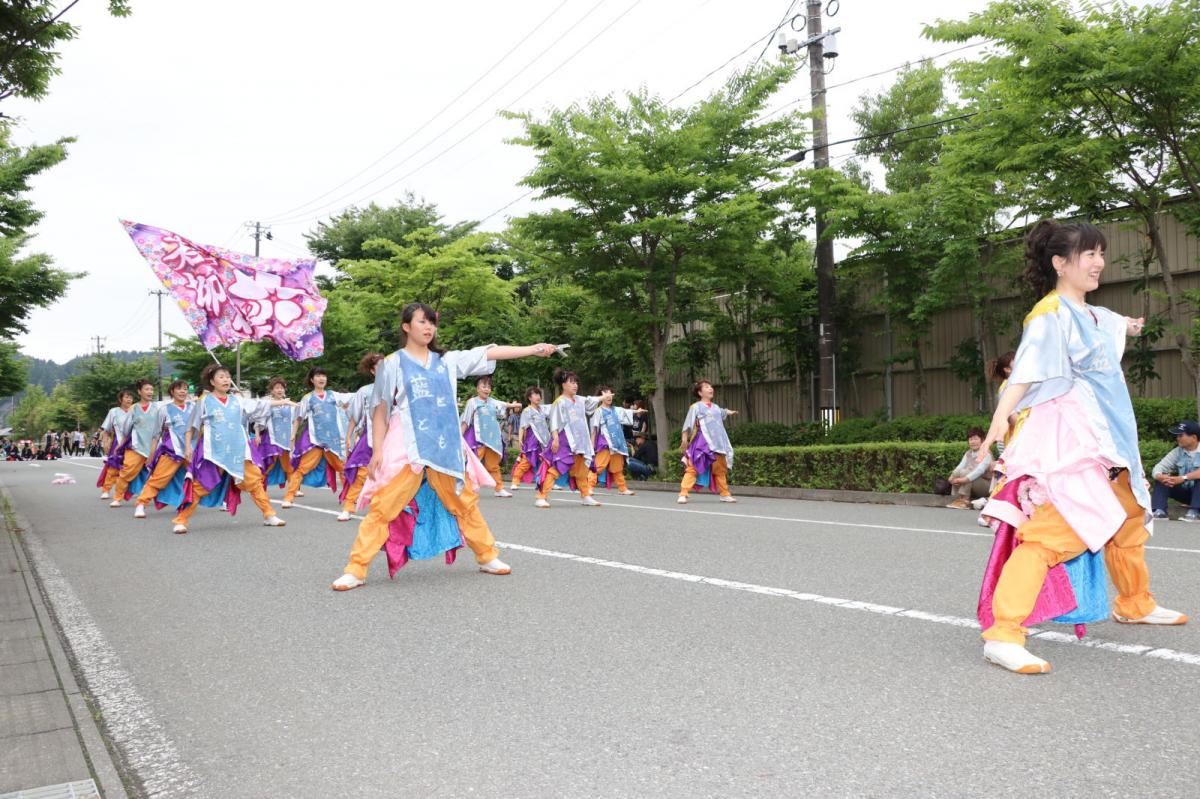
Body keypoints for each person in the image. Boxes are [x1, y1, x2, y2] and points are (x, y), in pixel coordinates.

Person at [976, 219, 1187, 675]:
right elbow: (1024, 374)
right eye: (1089, 254)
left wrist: (1130, 326)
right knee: (1054, 534)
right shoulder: (1050, 314)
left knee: (1129, 517)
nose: (1099, 262)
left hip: (1111, 441)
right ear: (1059, 263)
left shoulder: (1093, 314)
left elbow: (1112, 325)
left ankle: (1134, 602)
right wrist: (997, 421)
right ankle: (1003, 634)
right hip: (1072, 441)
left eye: (1101, 253)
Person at [329, 302, 559, 591]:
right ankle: (356, 569)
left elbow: (488, 352)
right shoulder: (391, 364)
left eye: (432, 322)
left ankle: (487, 555)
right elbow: (381, 410)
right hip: (408, 445)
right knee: (384, 506)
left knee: (464, 503)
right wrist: (377, 451)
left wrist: (532, 349)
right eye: (422, 322)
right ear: (406, 327)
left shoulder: (447, 360)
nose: (429, 327)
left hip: (445, 445)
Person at [170, 364, 294, 534]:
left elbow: (259, 405)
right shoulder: (204, 401)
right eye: (221, 377)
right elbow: (192, 426)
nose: (226, 380)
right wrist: (188, 447)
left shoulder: (238, 400)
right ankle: (181, 520)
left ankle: (269, 514)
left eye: (228, 377)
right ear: (212, 381)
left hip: (238, 449)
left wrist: (282, 402)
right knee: (201, 485)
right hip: (214, 451)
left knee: (254, 482)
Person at [282, 367, 354, 507]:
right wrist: (293, 434)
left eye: (323, 376)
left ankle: (350, 497)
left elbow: (355, 397)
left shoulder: (334, 395)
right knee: (302, 468)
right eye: (318, 376)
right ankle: (289, 497)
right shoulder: (308, 398)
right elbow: (298, 417)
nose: (322, 378)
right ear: (312, 379)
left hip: (333, 440)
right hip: (315, 440)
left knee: (343, 469)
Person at [535, 369, 603, 509]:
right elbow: (554, 422)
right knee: (557, 468)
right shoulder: (559, 402)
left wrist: (603, 397)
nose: (575, 385)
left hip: (581, 442)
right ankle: (541, 497)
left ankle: (585, 496)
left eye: (576, 382)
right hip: (565, 441)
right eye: (571, 382)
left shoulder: (579, 400)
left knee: (582, 470)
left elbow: (591, 401)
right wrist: (555, 439)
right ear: (563, 384)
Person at [131, 380, 193, 519]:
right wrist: (151, 455)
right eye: (179, 389)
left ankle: (224, 501)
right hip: (172, 451)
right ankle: (141, 504)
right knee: (158, 479)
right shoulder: (164, 409)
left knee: (201, 478)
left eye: (185, 389)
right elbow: (156, 434)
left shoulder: (193, 407)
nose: (183, 391)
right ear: (172, 392)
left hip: (191, 451)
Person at [337, 353, 384, 522]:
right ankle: (348, 507)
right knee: (362, 473)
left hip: (392, 438)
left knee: (392, 474)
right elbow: (354, 416)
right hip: (370, 437)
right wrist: (348, 436)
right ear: (372, 371)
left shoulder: (397, 388)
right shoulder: (365, 391)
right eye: (379, 366)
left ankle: (386, 510)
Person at [678, 379, 738, 504]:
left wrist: (729, 412)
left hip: (718, 443)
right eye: (706, 387)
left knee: (720, 469)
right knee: (693, 468)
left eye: (710, 386)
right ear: (700, 392)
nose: (710, 388)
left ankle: (724, 494)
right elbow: (688, 424)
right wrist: (684, 439)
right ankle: (683, 493)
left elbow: (723, 412)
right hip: (702, 443)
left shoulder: (716, 407)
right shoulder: (696, 407)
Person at [459, 375, 521, 498]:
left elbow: (505, 405)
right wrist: (460, 437)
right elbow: (465, 420)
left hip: (493, 440)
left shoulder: (493, 402)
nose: (487, 389)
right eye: (484, 386)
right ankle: (467, 489)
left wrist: (514, 405)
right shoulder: (472, 402)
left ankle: (499, 489)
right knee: (473, 464)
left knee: (493, 466)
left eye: (489, 387)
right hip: (478, 439)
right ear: (477, 388)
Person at [109, 379, 161, 507]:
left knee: (159, 474)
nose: (150, 392)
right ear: (139, 391)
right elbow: (126, 429)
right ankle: (117, 497)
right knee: (127, 471)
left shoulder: (158, 407)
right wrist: (120, 444)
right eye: (147, 389)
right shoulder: (133, 408)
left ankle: (156, 498)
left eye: (151, 389)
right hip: (136, 446)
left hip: (154, 446)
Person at [587, 385, 646, 496]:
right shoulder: (598, 412)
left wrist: (637, 411)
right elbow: (594, 430)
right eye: (606, 394)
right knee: (599, 466)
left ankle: (622, 488)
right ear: (601, 397)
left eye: (611, 394)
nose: (609, 397)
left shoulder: (616, 410)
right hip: (605, 443)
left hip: (617, 443)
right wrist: (591, 446)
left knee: (617, 467)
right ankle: (589, 487)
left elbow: (626, 412)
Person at [1150, 420, 1200, 522]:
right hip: (1188, 493)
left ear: (1194, 437)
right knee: (1163, 480)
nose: (1177, 438)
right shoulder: (1178, 451)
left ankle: (1194, 513)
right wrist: (1160, 476)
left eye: (1181, 435)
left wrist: (1183, 478)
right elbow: (1159, 467)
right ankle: (1159, 511)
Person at [258, 377, 298, 491]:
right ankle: (259, 488)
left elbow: (297, 419)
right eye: (276, 388)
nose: (279, 390)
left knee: (288, 464)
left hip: (287, 439)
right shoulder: (268, 404)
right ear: (272, 391)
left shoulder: (291, 405)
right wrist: (257, 434)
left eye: (281, 388)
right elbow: (260, 420)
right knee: (270, 463)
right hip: (272, 439)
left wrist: (293, 435)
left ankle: (293, 489)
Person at [509, 386, 550, 491]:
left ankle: (540, 482)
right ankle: (515, 481)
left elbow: (554, 407)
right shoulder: (527, 411)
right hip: (532, 440)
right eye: (535, 394)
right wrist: (520, 439)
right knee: (526, 462)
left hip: (544, 441)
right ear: (529, 398)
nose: (538, 396)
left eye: (538, 394)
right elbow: (522, 426)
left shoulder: (542, 409)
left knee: (543, 462)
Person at [97, 389, 135, 499]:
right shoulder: (113, 411)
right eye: (126, 397)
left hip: (133, 443)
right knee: (113, 466)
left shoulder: (136, 411)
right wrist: (105, 442)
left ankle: (128, 490)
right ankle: (106, 489)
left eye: (131, 397)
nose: (129, 399)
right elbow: (107, 429)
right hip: (118, 441)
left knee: (131, 467)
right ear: (120, 399)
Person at [945, 427, 994, 509]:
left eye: (976, 439)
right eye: (971, 439)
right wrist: (951, 477)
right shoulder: (968, 453)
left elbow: (979, 471)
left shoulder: (986, 453)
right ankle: (957, 499)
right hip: (971, 484)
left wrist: (964, 479)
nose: (973, 442)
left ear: (982, 440)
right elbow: (960, 466)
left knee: (965, 473)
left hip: (985, 486)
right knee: (957, 473)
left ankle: (965, 501)